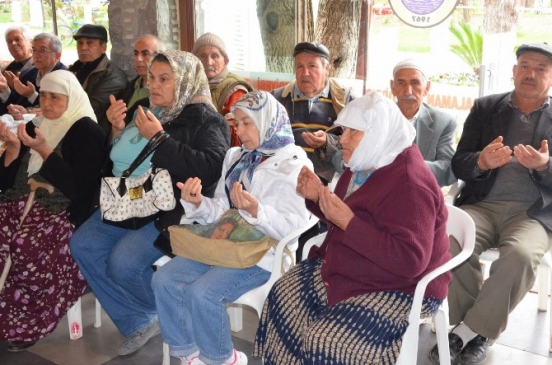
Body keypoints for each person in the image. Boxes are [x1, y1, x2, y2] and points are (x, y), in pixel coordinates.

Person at [254, 91, 452, 364]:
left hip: (402, 286)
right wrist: (317, 197)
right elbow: (346, 214)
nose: (342, 140)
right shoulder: (365, 161)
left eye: (351, 133)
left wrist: (348, 221)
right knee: (283, 298)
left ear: (376, 133)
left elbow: (410, 261)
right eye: (343, 131)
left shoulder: (410, 183)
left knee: (326, 341)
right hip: (355, 263)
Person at [70, 50, 230, 357]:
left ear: (184, 81)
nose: (153, 86)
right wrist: (116, 131)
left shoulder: (209, 121)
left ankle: (176, 312)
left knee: (124, 263)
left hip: (172, 210)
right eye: (150, 78)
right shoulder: (144, 107)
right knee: (83, 244)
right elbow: (121, 157)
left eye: (164, 79)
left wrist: (159, 139)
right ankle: (140, 319)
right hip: (129, 198)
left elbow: (210, 167)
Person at [152, 90, 312, 365]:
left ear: (268, 121)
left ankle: (222, 359)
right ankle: (189, 353)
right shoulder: (237, 157)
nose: (240, 130)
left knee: (202, 293)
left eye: (247, 122)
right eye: (237, 123)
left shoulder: (294, 166)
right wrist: (198, 203)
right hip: (224, 242)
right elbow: (221, 212)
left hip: (264, 255)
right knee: (163, 279)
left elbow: (293, 228)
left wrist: (256, 212)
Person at [429, 43, 552, 364]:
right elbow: (459, 163)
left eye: (542, 68)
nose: (532, 74)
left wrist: (544, 166)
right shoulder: (486, 108)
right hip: (482, 205)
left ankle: (467, 333)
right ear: (514, 71)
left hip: (533, 214)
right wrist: (481, 162)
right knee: (447, 241)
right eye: (525, 66)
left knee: (521, 255)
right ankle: (474, 329)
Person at [0, 70, 106, 352]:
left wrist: (46, 151)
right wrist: (12, 150)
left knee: (25, 245)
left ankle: (29, 321)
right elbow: (7, 182)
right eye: (43, 95)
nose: (46, 103)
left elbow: (80, 191)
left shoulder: (87, 131)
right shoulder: (38, 124)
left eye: (55, 97)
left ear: (71, 99)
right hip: (21, 204)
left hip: (63, 212)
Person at [318, 59, 458, 187]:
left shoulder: (443, 122)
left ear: (427, 87)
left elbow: (448, 168)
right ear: (393, 87)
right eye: (401, 83)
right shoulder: (377, 115)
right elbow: (341, 154)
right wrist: (357, 161)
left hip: (418, 193)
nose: (408, 91)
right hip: (373, 192)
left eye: (415, 83)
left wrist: (400, 167)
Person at [272, 41, 355, 184]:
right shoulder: (278, 98)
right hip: (285, 179)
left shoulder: (346, 99)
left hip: (329, 182)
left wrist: (327, 142)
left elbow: (358, 143)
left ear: (326, 68)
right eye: (300, 66)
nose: (305, 73)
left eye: (312, 66)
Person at [192, 32, 253, 147]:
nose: (208, 62)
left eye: (215, 56)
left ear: (225, 61)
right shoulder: (190, 84)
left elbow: (236, 131)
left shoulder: (234, 89)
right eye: (203, 56)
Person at [69, 24, 127, 132]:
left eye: (90, 43)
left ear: (103, 47)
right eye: (80, 43)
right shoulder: (77, 69)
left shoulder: (114, 76)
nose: (83, 48)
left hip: (94, 133)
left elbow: (92, 108)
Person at [0, 33, 67, 116]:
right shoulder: (27, 73)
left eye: (43, 50)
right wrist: (5, 89)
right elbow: (14, 103)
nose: (36, 55)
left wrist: (32, 95)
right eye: (34, 50)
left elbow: (57, 110)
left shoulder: (65, 78)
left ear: (57, 56)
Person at [120, 35, 165, 109]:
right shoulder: (129, 86)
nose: (138, 59)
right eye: (136, 53)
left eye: (145, 53)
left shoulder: (165, 90)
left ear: (159, 57)